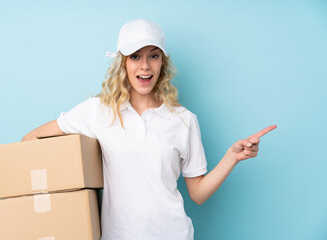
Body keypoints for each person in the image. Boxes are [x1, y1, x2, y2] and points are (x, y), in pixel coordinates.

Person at [22, 19, 276, 240]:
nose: (145, 66)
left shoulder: (184, 120)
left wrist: (232, 157)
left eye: (153, 56)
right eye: (135, 56)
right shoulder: (98, 111)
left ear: (162, 63)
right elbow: (30, 139)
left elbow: (197, 193)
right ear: (122, 63)